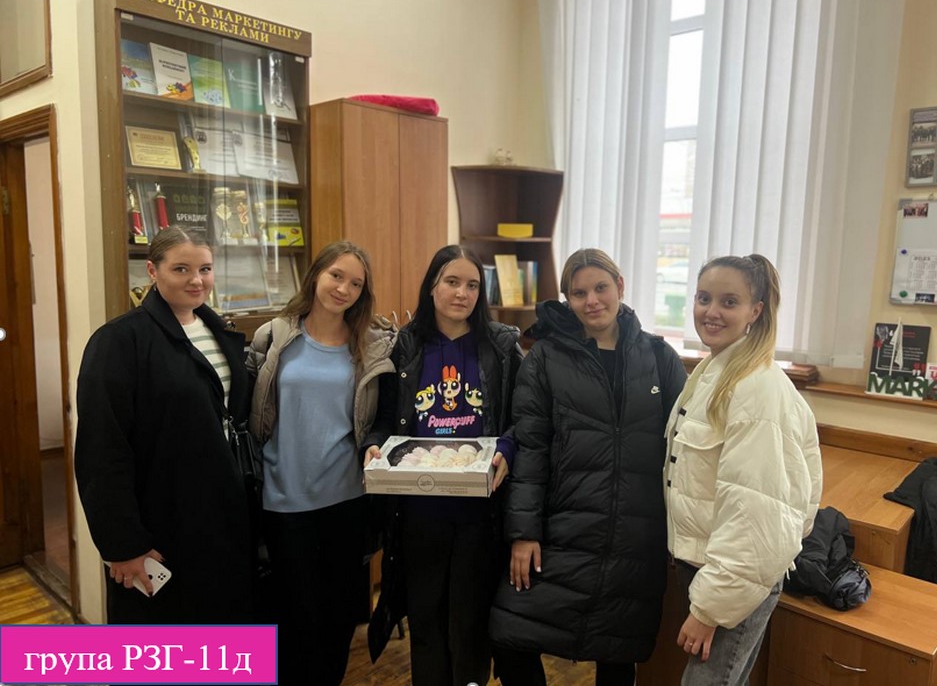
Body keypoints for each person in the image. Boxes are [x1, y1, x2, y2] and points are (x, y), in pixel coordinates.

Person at [490, 248, 687, 686]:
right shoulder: (546, 357)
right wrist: (524, 533)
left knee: (617, 654)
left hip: (635, 538)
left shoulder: (659, 357)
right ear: (568, 299)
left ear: (620, 287)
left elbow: (687, 451)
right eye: (579, 293)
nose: (592, 300)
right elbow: (532, 447)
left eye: (601, 288)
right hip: (563, 530)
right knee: (509, 636)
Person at [363, 245, 524, 686]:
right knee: (427, 619)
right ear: (432, 286)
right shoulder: (406, 346)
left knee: (469, 621)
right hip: (419, 512)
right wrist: (375, 446)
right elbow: (385, 419)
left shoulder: (501, 346)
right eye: (452, 282)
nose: (462, 293)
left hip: (480, 514)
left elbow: (523, 417)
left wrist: (507, 448)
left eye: (472, 285)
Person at [75, 226, 253, 624]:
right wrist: (123, 544)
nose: (196, 280)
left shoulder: (219, 331)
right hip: (161, 521)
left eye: (205, 269)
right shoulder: (119, 341)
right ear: (153, 271)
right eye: (181, 269)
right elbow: (102, 450)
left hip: (221, 515)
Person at [664, 254, 822, 685]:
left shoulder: (756, 387)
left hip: (735, 577)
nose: (711, 311)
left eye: (729, 302)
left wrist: (710, 610)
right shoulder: (716, 370)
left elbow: (757, 517)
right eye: (704, 298)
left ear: (755, 311)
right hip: (712, 568)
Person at [245, 241, 395, 686]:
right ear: (315, 276)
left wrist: (373, 444)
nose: (343, 289)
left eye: (356, 284)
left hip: (346, 500)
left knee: (337, 619)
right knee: (293, 618)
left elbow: (381, 418)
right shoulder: (274, 336)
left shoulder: (372, 345)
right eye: (336, 276)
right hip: (283, 500)